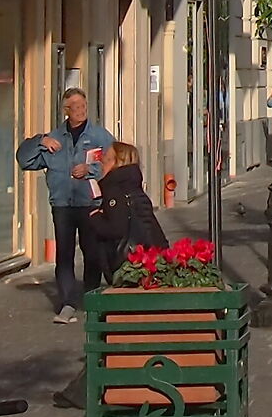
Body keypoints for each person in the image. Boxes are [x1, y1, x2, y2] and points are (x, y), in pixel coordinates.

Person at [18, 87, 114, 323]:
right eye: (76, 107)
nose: (81, 111)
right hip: (62, 204)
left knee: (92, 254)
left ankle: (92, 300)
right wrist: (40, 141)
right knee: (64, 254)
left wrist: (90, 170)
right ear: (66, 110)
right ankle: (68, 303)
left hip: (90, 203)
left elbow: (115, 164)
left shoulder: (100, 136)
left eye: (83, 106)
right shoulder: (55, 138)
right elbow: (24, 160)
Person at [84, 142, 166, 281]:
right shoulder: (132, 186)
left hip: (129, 265)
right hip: (147, 258)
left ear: (117, 163)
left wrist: (95, 217)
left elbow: (116, 229)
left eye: (107, 158)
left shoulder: (115, 191)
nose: (102, 160)